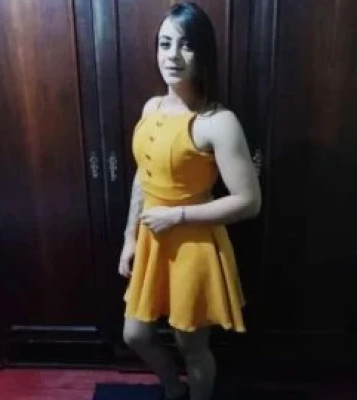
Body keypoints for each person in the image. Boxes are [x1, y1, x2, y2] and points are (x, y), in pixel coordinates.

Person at [118, 2, 261, 400]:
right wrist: (130, 237)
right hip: (152, 239)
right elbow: (143, 176)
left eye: (186, 45)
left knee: (190, 345)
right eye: (165, 44)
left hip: (194, 242)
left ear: (203, 53)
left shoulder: (218, 121)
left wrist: (178, 215)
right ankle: (172, 387)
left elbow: (249, 201)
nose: (173, 56)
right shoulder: (151, 108)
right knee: (135, 334)